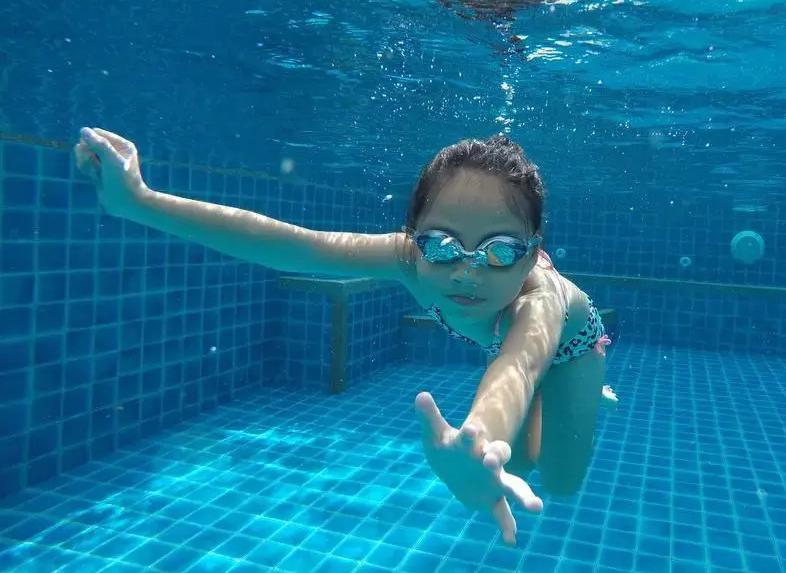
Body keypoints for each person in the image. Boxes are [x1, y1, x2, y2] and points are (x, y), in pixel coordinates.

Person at [74, 127, 616, 545]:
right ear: (412, 238)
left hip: (568, 348)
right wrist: (138, 200)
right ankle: (561, 406)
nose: (467, 272)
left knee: (560, 481)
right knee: (513, 466)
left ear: (531, 252)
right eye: (442, 246)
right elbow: (296, 244)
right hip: (505, 347)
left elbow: (519, 365)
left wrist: (480, 432)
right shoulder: (405, 259)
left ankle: (586, 391)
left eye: (499, 251)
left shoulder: (537, 298)